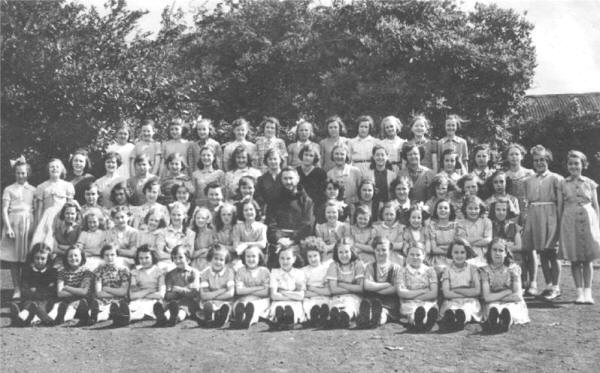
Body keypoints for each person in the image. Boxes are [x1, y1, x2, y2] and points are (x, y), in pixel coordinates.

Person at [558, 150, 600, 304]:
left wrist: (598, 225)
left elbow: (596, 205)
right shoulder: (562, 183)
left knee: (588, 258)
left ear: (583, 165)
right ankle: (579, 293)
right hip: (570, 221)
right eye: (570, 164)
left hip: (588, 220)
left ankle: (588, 293)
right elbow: (560, 206)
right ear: (567, 166)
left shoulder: (590, 183)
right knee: (575, 259)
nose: (573, 166)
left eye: (577, 163)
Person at [522, 145, 562, 299]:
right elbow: (527, 201)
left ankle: (556, 286)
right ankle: (548, 285)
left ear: (548, 161)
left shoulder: (556, 178)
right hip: (535, 216)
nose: (539, 163)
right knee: (542, 252)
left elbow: (559, 202)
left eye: (542, 160)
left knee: (552, 252)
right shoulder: (528, 180)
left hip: (551, 215)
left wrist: (558, 221)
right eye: (536, 160)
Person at [1, 157, 35, 299]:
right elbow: (4, 209)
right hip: (14, 223)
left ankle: (25, 286)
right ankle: (16, 288)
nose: (21, 176)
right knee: (14, 258)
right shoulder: (9, 189)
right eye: (18, 173)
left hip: (29, 223)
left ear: (28, 173)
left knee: (27, 257)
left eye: (23, 173)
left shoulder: (33, 189)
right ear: (14, 174)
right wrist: (8, 227)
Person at [481, 238, 530, 333]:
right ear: (489, 252)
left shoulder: (513, 269)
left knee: (509, 309)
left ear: (506, 253)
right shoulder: (484, 271)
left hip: (511, 301)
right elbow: (486, 297)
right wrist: (506, 292)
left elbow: (517, 296)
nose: (497, 253)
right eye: (494, 250)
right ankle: (494, 322)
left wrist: (495, 297)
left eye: (501, 250)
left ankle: (506, 321)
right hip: (493, 302)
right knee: (493, 308)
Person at [438, 238, 482, 331]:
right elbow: (446, 293)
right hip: (452, 300)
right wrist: (467, 291)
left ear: (467, 254)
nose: (459, 255)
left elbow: (477, 291)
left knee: (467, 308)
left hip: (469, 300)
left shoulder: (473, 269)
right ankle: (451, 320)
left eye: (462, 252)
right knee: (451, 308)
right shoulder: (447, 270)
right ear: (451, 253)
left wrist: (456, 290)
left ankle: (461, 320)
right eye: (456, 252)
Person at [9, 243, 57, 326]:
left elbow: (51, 289)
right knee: (29, 304)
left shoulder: (52, 272)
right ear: (32, 258)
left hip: (45, 300)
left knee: (40, 305)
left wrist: (36, 291)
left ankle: (42, 319)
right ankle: (22, 317)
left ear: (48, 259)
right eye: (37, 258)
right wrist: (33, 292)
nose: (39, 261)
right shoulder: (27, 271)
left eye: (43, 258)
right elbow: (24, 287)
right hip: (30, 298)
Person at [31, 158, 75, 249]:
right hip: (47, 218)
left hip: (62, 217)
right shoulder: (42, 187)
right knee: (45, 240)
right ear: (48, 170)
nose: (54, 169)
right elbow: (39, 208)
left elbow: (70, 206)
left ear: (62, 169)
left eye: (57, 167)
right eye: (52, 167)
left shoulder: (67, 185)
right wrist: (37, 224)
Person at [359, 237, 401, 328]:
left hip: (389, 301)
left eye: (384, 250)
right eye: (378, 250)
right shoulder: (370, 266)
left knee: (383, 312)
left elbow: (395, 289)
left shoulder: (396, 267)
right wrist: (386, 285)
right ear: (374, 250)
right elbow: (367, 285)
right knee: (369, 307)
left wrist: (375, 288)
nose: (381, 253)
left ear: (390, 250)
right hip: (372, 298)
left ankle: (377, 320)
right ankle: (366, 318)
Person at [266, 167, 314, 245]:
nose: (288, 182)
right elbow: (271, 223)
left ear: (297, 179)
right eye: (285, 179)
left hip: (298, 241)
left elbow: (307, 225)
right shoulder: (274, 200)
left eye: (291, 178)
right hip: (279, 241)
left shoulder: (306, 201)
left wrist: (293, 241)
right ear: (281, 180)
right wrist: (278, 239)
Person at [397, 244, 438, 332]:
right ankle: (419, 323)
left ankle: (427, 323)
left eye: (418, 255)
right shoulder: (402, 271)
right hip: (409, 303)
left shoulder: (430, 271)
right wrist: (423, 291)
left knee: (427, 309)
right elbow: (401, 292)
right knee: (413, 311)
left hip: (427, 301)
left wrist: (411, 295)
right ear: (407, 255)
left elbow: (433, 293)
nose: (415, 257)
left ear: (424, 256)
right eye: (411, 254)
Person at [156, 245, 200, 326]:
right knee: (170, 305)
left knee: (182, 310)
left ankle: (176, 318)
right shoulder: (170, 274)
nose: (177, 260)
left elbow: (194, 292)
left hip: (189, 302)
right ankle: (163, 318)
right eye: (175, 258)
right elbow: (168, 294)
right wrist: (173, 293)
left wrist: (179, 290)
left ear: (187, 259)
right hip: (174, 301)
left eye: (180, 257)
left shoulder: (194, 272)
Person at [48, 246, 93, 325]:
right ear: (66, 258)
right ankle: (51, 320)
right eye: (70, 256)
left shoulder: (87, 272)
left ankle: (66, 319)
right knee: (57, 306)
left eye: (76, 255)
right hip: (66, 300)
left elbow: (83, 292)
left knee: (78, 305)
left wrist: (67, 287)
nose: (73, 258)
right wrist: (77, 290)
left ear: (82, 257)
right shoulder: (62, 272)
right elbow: (60, 293)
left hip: (83, 300)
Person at [326, 239, 365, 329]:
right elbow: (333, 290)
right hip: (338, 297)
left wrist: (342, 284)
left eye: (346, 252)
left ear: (352, 251)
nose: (344, 255)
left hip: (354, 297)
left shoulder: (358, 265)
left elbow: (360, 288)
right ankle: (334, 317)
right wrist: (352, 288)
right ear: (336, 253)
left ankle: (345, 317)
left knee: (350, 306)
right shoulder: (333, 265)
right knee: (336, 305)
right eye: (340, 252)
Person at [267, 242, 306, 330]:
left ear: (294, 259)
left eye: (288, 258)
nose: (285, 261)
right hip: (279, 301)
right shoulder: (274, 272)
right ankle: (281, 319)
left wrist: (283, 292)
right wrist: (293, 295)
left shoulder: (299, 273)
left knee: (293, 309)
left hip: (294, 302)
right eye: (282, 258)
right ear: (278, 259)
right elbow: (273, 296)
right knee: (278, 308)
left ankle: (290, 320)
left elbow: (301, 295)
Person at [231, 245, 271, 329]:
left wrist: (247, 290)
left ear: (259, 258)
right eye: (248, 256)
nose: (250, 259)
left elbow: (265, 292)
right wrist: (258, 288)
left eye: (253, 256)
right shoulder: (241, 271)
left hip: (260, 299)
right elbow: (239, 291)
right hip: (244, 298)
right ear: (244, 258)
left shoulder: (264, 271)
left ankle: (248, 320)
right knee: (239, 304)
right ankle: (240, 317)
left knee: (254, 306)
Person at [91, 244, 130, 326]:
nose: (109, 257)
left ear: (117, 255)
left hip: (119, 300)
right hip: (103, 299)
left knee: (118, 306)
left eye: (112, 255)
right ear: (103, 256)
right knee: (100, 307)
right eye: (106, 255)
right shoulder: (99, 270)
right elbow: (98, 292)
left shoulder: (123, 270)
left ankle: (114, 314)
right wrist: (114, 293)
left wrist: (106, 288)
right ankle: (97, 316)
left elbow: (123, 292)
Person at [197, 245, 235, 328]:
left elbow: (230, 293)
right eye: (216, 259)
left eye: (221, 260)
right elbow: (204, 295)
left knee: (225, 307)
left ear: (225, 262)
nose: (218, 262)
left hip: (225, 301)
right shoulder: (205, 273)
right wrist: (221, 291)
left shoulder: (229, 272)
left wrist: (212, 296)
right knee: (208, 305)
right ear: (210, 259)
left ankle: (221, 318)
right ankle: (209, 319)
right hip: (210, 302)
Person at [129, 245, 166, 323]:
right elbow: (132, 295)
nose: (144, 261)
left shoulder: (159, 272)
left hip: (154, 300)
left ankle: (130, 317)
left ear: (153, 257)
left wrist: (141, 292)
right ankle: (126, 316)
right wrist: (148, 291)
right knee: (134, 307)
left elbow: (161, 295)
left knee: (148, 309)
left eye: (147, 257)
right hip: (139, 299)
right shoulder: (135, 272)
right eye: (141, 258)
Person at [300, 237, 331, 327]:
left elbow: (328, 291)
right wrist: (319, 292)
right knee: (308, 305)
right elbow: (303, 292)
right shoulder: (303, 271)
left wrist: (312, 288)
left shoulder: (326, 269)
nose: (313, 259)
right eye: (309, 256)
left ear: (320, 255)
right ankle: (313, 318)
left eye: (315, 256)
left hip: (323, 297)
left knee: (325, 304)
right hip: (309, 297)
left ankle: (322, 318)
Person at [427, 199, 462, 274]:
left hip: (455, 257)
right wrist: (450, 250)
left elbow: (458, 246)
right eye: (440, 208)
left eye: (446, 208)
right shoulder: (432, 227)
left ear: (450, 211)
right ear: (436, 211)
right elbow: (434, 249)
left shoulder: (456, 226)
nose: (443, 210)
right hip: (438, 259)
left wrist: (443, 248)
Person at [456, 195, 492, 267]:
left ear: (480, 209)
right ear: (465, 209)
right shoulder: (461, 223)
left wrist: (469, 242)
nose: (473, 211)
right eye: (470, 208)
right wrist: (480, 238)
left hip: (483, 252)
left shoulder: (486, 221)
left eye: (476, 208)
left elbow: (488, 240)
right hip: (467, 253)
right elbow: (462, 240)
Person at [504, 143, 534, 227]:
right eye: (511, 154)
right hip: (511, 208)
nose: (514, 157)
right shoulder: (504, 176)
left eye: (517, 154)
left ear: (522, 156)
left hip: (527, 208)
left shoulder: (529, 173)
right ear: (507, 157)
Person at [232, 199, 267, 265]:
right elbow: (235, 246)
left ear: (256, 211)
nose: (249, 212)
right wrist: (255, 243)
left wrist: (245, 244)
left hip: (256, 257)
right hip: (241, 257)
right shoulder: (237, 227)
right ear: (242, 212)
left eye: (251, 209)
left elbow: (262, 244)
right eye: (246, 210)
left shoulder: (262, 227)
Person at [52, 202, 82, 266]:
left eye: (72, 214)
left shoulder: (79, 229)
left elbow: (78, 248)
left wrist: (60, 246)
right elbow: (54, 249)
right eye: (67, 213)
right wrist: (69, 250)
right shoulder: (58, 229)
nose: (70, 216)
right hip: (60, 259)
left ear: (76, 214)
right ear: (63, 214)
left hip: (74, 259)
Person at [190, 207, 216, 271]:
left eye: (203, 218)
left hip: (209, 262)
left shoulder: (212, 233)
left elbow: (213, 252)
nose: (200, 220)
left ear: (208, 219)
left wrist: (197, 253)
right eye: (198, 218)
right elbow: (190, 254)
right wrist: (202, 250)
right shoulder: (191, 233)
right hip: (194, 263)